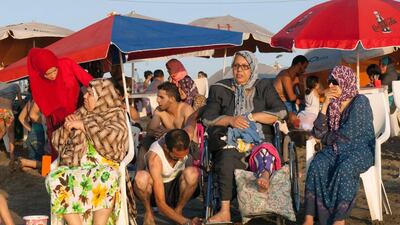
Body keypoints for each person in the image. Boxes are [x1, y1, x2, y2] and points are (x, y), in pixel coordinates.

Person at [201, 51, 287, 222]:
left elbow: (281, 112)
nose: (239, 70)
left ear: (252, 68)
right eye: (236, 66)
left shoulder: (264, 87)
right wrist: (231, 120)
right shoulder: (220, 88)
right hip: (232, 140)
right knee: (226, 158)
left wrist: (252, 117)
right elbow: (207, 118)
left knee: (265, 153)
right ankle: (225, 211)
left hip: (261, 140)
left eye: (245, 67)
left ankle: (264, 180)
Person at [46, 79, 128, 225]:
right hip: (77, 167)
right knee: (55, 177)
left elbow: (115, 139)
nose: (84, 97)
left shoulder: (116, 113)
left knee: (106, 176)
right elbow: (56, 143)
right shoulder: (81, 113)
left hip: (105, 166)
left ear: (102, 98)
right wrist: (66, 129)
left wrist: (84, 126)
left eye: (90, 94)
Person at [304, 66, 375, 225]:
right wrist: (325, 104)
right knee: (318, 163)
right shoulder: (333, 105)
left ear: (345, 82)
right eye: (329, 81)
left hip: (360, 149)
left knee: (345, 167)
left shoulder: (360, 102)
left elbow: (347, 135)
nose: (330, 86)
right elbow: (317, 132)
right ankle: (308, 218)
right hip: (336, 149)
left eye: (335, 82)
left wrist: (325, 139)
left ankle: (338, 220)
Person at [27, 48, 93, 161]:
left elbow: (92, 84)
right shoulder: (39, 82)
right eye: (47, 74)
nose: (53, 76)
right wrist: (46, 123)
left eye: (54, 70)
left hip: (79, 120)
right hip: (58, 130)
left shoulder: (67, 64)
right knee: (61, 163)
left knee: (84, 160)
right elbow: (33, 114)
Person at [134, 129, 201, 225]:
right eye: (176, 157)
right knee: (141, 178)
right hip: (154, 191)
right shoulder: (155, 158)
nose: (181, 159)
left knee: (193, 173)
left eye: (184, 156)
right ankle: (148, 212)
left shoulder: (185, 140)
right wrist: (187, 222)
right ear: (166, 148)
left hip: (175, 187)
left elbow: (194, 117)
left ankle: (178, 210)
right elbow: (160, 203)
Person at [137, 82, 195, 170]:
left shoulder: (186, 109)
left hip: (188, 145)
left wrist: (168, 132)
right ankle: (139, 175)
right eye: (157, 96)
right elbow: (151, 130)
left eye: (161, 97)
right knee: (146, 141)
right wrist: (155, 132)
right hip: (169, 145)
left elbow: (190, 134)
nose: (157, 100)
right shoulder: (160, 111)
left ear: (172, 99)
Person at [18, 96, 45, 172]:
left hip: (32, 134)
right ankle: (24, 161)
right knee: (46, 162)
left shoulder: (30, 101)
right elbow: (32, 115)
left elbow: (21, 118)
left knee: (35, 161)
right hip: (40, 135)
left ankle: (26, 164)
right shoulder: (39, 98)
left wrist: (31, 129)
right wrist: (46, 123)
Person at [0, 82, 23, 169]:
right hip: (8, 112)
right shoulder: (16, 86)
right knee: (11, 134)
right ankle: (12, 158)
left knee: (2, 132)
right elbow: (20, 102)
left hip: (0, 111)